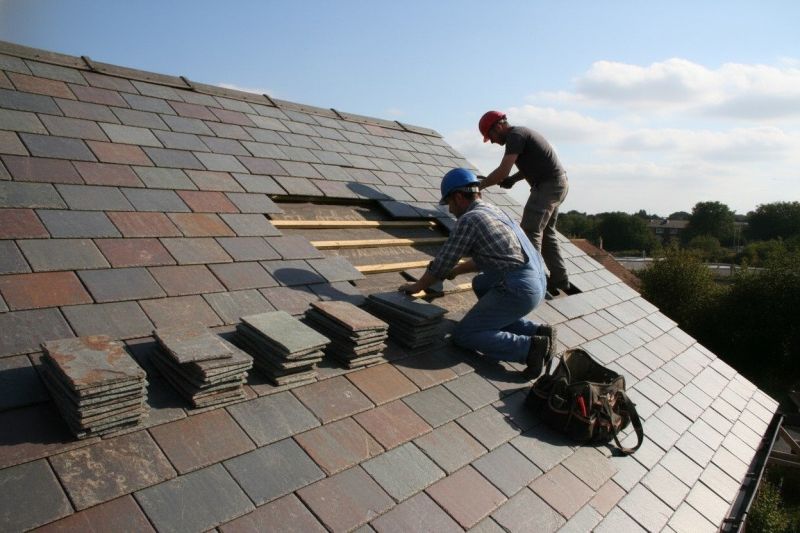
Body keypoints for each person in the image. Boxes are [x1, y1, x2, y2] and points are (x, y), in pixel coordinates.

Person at [399, 168, 556, 377]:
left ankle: (530, 348)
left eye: (449, 205)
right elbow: (493, 256)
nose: (451, 211)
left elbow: (441, 264)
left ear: (457, 197)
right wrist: (458, 270)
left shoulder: (469, 219)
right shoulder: (493, 210)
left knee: (465, 334)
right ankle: (536, 331)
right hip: (536, 281)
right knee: (480, 283)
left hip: (521, 289)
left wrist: (416, 287)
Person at [477, 110, 572, 296]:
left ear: (499, 126)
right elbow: (532, 164)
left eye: (491, 137)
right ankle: (560, 279)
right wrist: (512, 180)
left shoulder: (515, 136)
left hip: (547, 186)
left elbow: (502, 170)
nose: (494, 142)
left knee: (530, 230)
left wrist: (480, 185)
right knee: (547, 234)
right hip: (558, 183)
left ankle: (533, 281)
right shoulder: (521, 134)